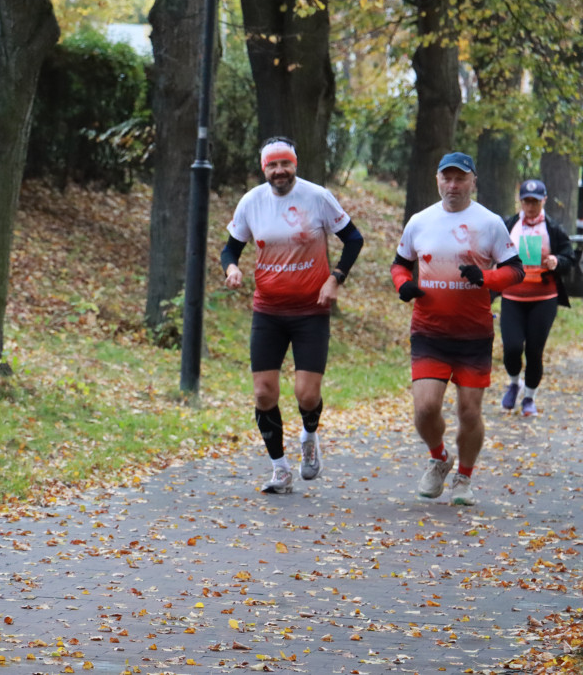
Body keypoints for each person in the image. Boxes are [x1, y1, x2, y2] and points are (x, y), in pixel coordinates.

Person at [221, 137, 364, 494]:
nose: (279, 171)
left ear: (295, 164)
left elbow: (354, 239)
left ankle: (310, 437)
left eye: (285, 164)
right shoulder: (252, 202)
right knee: (264, 393)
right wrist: (232, 268)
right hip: (268, 310)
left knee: (307, 395)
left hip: (311, 311)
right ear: (263, 168)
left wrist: (336, 279)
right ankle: (280, 469)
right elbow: (230, 247)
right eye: (272, 165)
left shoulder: (317, 197)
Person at [390, 152, 523, 506]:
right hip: (429, 331)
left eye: (460, 178)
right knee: (425, 408)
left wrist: (486, 277)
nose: (453, 185)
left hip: (473, 334)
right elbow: (400, 264)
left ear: (472, 181)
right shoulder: (419, 221)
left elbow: (515, 271)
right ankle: (439, 457)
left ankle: (464, 477)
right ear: (437, 180)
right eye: (446, 178)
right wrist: (403, 284)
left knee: (469, 411)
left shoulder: (490, 222)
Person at [498, 179, 574, 416]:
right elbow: (494, 252)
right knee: (511, 348)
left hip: (543, 298)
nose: (531, 206)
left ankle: (529, 397)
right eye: (526, 201)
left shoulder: (553, 228)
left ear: (544, 201)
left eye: (535, 201)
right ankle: (513, 382)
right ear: (520, 201)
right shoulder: (509, 224)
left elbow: (569, 257)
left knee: (534, 351)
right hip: (512, 296)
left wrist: (556, 262)